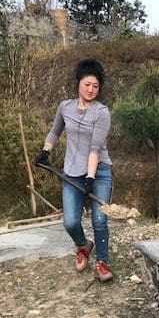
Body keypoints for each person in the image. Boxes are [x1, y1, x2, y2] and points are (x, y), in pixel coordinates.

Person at [35, 58, 114, 282]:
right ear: (78, 83)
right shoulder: (65, 107)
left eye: (96, 86)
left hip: (98, 172)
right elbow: (54, 132)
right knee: (70, 221)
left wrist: (90, 177)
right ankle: (82, 245)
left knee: (99, 220)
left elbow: (95, 149)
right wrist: (46, 151)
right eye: (87, 84)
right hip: (71, 172)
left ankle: (102, 262)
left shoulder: (102, 113)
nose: (91, 89)